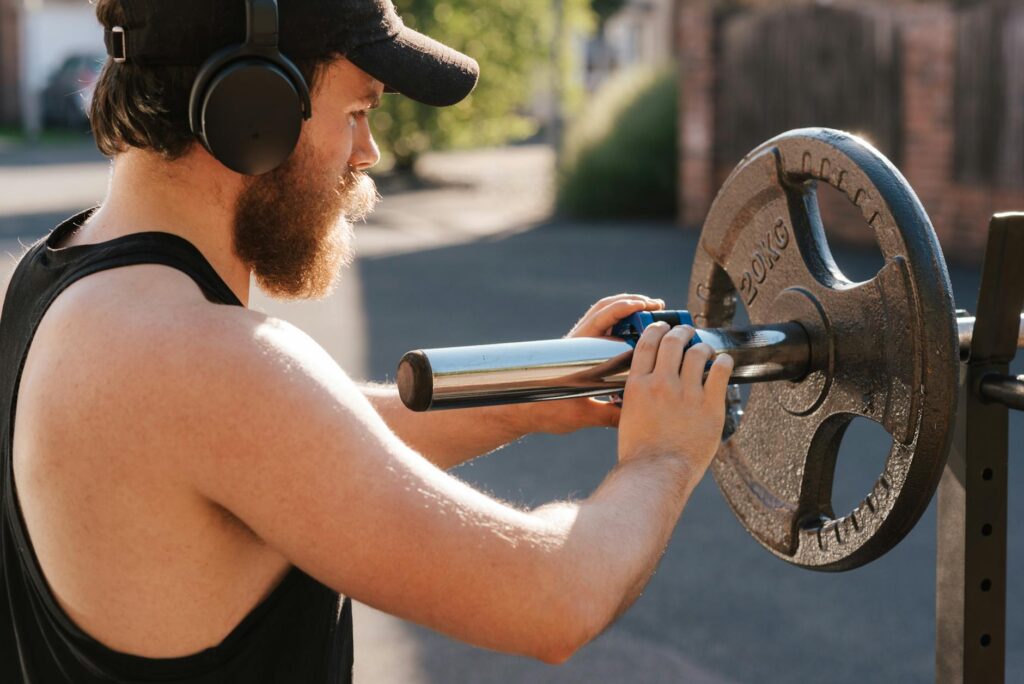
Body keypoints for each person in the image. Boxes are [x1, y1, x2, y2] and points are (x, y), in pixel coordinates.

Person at [0, 0, 734, 681]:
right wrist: (663, 454)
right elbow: (554, 596)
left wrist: (537, 397)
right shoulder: (207, 361)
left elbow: (299, 446)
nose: (368, 151)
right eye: (356, 111)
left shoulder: (60, 280)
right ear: (249, 107)